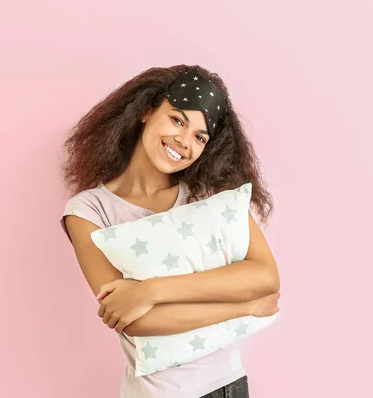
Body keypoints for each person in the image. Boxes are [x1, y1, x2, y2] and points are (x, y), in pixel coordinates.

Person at [59, 64, 281, 398]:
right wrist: (245, 308)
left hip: (228, 387)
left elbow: (264, 277)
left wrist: (150, 292)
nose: (183, 141)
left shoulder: (209, 196)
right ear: (147, 111)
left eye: (200, 137)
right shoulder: (89, 211)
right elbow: (135, 322)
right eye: (177, 119)